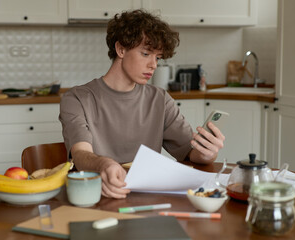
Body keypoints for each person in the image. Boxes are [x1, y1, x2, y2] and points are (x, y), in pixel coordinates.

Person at [59, 9, 225, 199]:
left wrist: (207, 153)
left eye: (158, 57)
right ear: (121, 49)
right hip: (97, 196)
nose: (153, 65)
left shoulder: (160, 99)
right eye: (146, 53)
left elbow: (189, 152)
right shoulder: (77, 98)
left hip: (147, 197)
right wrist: (104, 164)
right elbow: (80, 154)